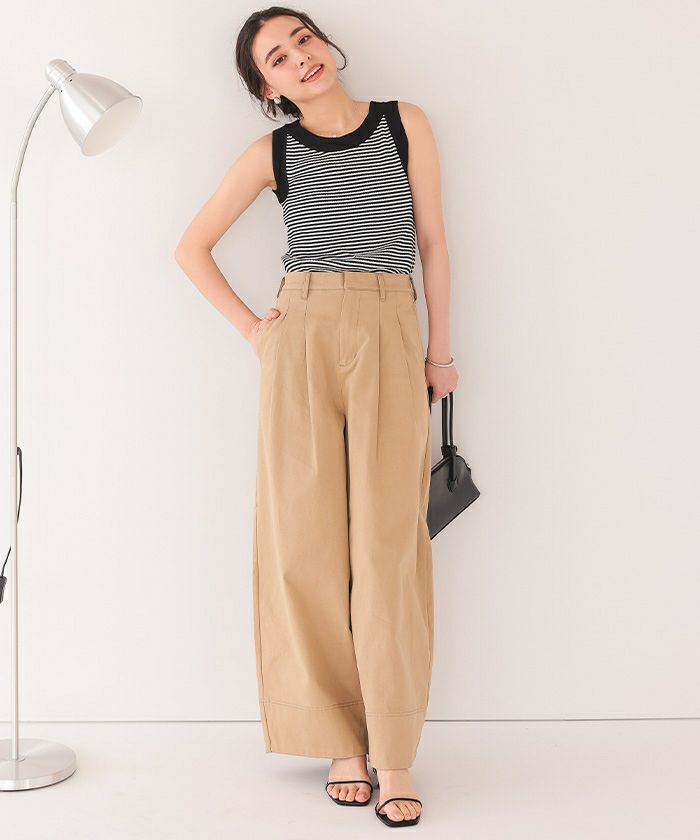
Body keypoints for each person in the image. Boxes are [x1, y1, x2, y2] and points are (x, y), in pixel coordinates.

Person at [175, 7, 458, 828]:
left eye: (302, 39)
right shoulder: (273, 154)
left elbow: (433, 243)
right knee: (304, 543)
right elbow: (191, 247)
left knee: (388, 546)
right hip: (299, 332)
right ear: (267, 88)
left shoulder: (403, 123)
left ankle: (393, 750)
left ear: (324, 44)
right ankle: (339, 741)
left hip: (390, 326)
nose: (299, 57)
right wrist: (256, 333)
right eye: (277, 57)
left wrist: (441, 352)